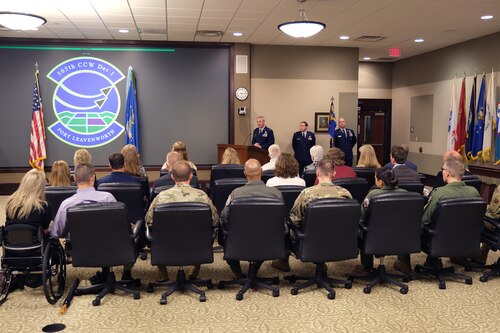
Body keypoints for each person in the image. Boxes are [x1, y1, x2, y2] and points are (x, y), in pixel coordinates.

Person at [396, 157, 480, 272]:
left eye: (443, 169)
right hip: (464, 239)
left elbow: (425, 219)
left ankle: (404, 263)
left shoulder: (439, 193)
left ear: (448, 173)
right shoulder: (474, 192)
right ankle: (443, 258)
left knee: (408, 222)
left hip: (438, 238)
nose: (442, 172)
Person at [272, 159, 352, 272]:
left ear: (317, 173)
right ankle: (321, 263)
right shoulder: (345, 193)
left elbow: (294, 219)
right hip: (337, 240)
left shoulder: (307, 194)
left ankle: (283, 261)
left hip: (310, 241)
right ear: (334, 174)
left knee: (287, 226)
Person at [146, 160, 218, 281]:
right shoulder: (202, 196)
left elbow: (149, 221)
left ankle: (164, 275)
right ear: (191, 175)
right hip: (196, 244)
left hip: (166, 244)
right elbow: (215, 221)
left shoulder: (161, 197)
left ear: (172, 177)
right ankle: (193, 273)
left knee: (155, 234)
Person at [219, 159, 283, 278]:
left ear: (245, 173)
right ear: (261, 172)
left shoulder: (236, 194)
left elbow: (224, 217)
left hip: (239, 241)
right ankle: (253, 272)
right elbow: (279, 220)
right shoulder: (276, 194)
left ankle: (238, 273)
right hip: (268, 241)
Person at [5, 169, 51, 290]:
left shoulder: (10, 203)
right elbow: (45, 229)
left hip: (11, 249)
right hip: (35, 250)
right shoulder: (43, 206)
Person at [357, 168, 407, 272]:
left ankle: (366, 266)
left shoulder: (373, 195)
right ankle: (404, 264)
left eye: (375, 178)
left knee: (362, 228)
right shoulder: (406, 193)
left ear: (380, 181)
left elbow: (361, 216)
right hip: (400, 237)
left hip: (375, 237)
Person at [50, 164, 116, 238]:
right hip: (108, 247)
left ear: (74, 178)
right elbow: (118, 226)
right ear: (93, 178)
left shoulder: (66, 205)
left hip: (76, 248)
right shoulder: (108, 198)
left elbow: (55, 234)